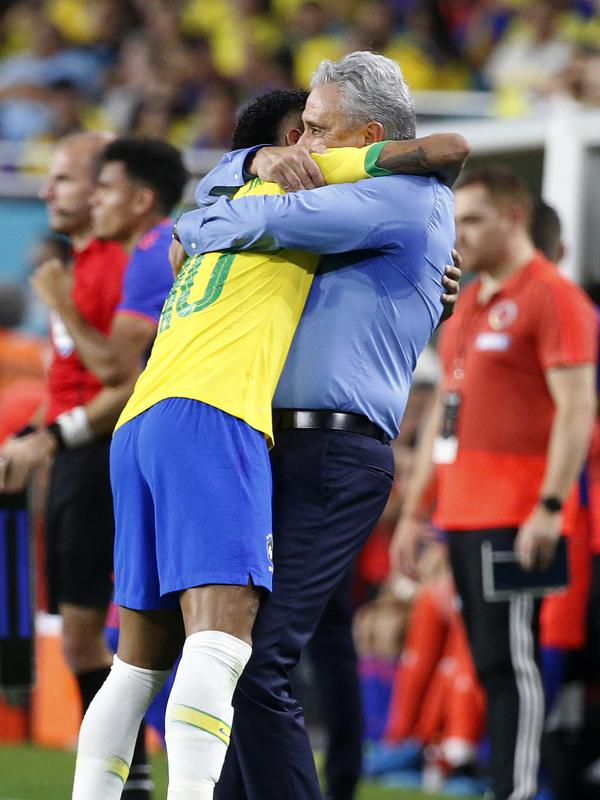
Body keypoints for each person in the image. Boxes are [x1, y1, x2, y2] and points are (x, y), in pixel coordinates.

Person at [71, 53, 468, 800]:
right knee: (229, 654)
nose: (302, 145)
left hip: (330, 447)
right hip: (258, 435)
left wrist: (216, 208)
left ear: (369, 136)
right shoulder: (337, 207)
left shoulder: (402, 198)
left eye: (316, 131)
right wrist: (248, 169)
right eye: (298, 131)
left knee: (250, 657)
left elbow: (246, 217)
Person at [390, 165, 597, 800]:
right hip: (463, 513)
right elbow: (442, 427)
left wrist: (549, 506)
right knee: (489, 663)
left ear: (513, 218)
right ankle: (506, 782)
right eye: (454, 223)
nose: (459, 236)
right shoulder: (467, 310)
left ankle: (517, 789)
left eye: (473, 220)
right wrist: (413, 513)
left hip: (519, 512)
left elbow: (577, 409)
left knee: (514, 665)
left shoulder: (553, 295)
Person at [0, 132, 153, 799]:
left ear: (100, 188)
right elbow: (69, 382)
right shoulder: (82, 262)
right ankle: (130, 778)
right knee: (79, 639)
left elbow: (126, 377)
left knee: (96, 633)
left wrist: (53, 438)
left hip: (100, 458)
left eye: (62, 179)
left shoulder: (115, 267)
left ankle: (130, 780)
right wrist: (35, 434)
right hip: (72, 456)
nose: (46, 191)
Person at [30, 137, 188, 401]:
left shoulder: (154, 256)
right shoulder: (151, 250)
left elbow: (115, 370)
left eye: (104, 188)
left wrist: (60, 301)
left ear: (141, 201)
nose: (94, 201)